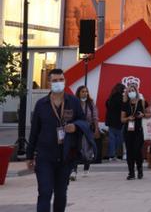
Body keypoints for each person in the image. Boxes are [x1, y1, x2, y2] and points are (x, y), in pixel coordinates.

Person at [27, 68, 85, 212]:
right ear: (49, 83)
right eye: (55, 80)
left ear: (64, 81)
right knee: (45, 192)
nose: (58, 83)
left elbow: (84, 123)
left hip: (66, 155)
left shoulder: (73, 102)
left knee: (60, 193)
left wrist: (75, 126)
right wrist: (29, 156)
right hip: (45, 156)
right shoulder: (41, 104)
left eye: (61, 80)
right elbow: (34, 131)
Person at [121, 79, 151, 180]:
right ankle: (131, 172)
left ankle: (140, 170)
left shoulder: (142, 102)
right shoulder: (125, 104)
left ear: (136, 91)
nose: (131, 92)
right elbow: (122, 119)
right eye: (129, 91)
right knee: (129, 151)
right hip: (128, 131)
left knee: (137, 150)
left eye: (133, 90)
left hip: (139, 129)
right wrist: (128, 118)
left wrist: (143, 115)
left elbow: (149, 114)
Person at [70, 85, 99, 180]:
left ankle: (86, 168)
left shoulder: (90, 103)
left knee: (87, 150)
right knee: (75, 149)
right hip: (77, 129)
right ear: (78, 93)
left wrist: (97, 129)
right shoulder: (74, 103)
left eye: (86, 91)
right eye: (82, 91)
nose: (84, 93)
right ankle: (74, 170)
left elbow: (95, 116)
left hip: (87, 130)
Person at [104, 83, 125, 161]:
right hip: (118, 122)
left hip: (110, 122)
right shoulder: (121, 98)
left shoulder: (110, 97)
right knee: (119, 139)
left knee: (112, 139)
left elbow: (107, 106)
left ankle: (111, 155)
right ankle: (114, 155)